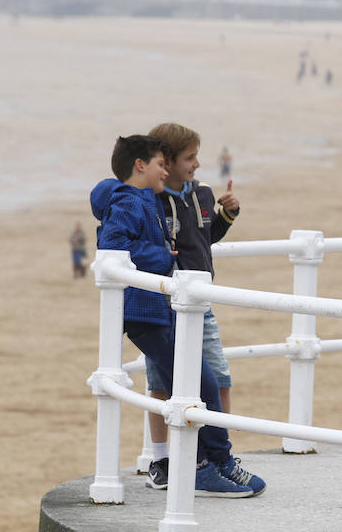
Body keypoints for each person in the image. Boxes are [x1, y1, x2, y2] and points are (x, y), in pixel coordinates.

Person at [90, 135, 265, 498]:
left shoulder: (139, 198)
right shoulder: (128, 200)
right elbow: (112, 246)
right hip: (145, 312)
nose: (165, 171)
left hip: (157, 310)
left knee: (200, 383)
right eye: (159, 164)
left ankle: (216, 463)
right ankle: (209, 466)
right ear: (140, 165)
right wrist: (164, 258)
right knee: (201, 384)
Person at [144, 123, 249, 492]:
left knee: (219, 379)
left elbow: (205, 237)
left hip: (202, 303)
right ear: (166, 162)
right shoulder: (151, 200)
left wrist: (227, 216)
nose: (198, 164)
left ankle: (221, 456)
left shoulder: (202, 194)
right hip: (166, 305)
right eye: (190, 158)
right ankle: (161, 459)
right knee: (161, 386)